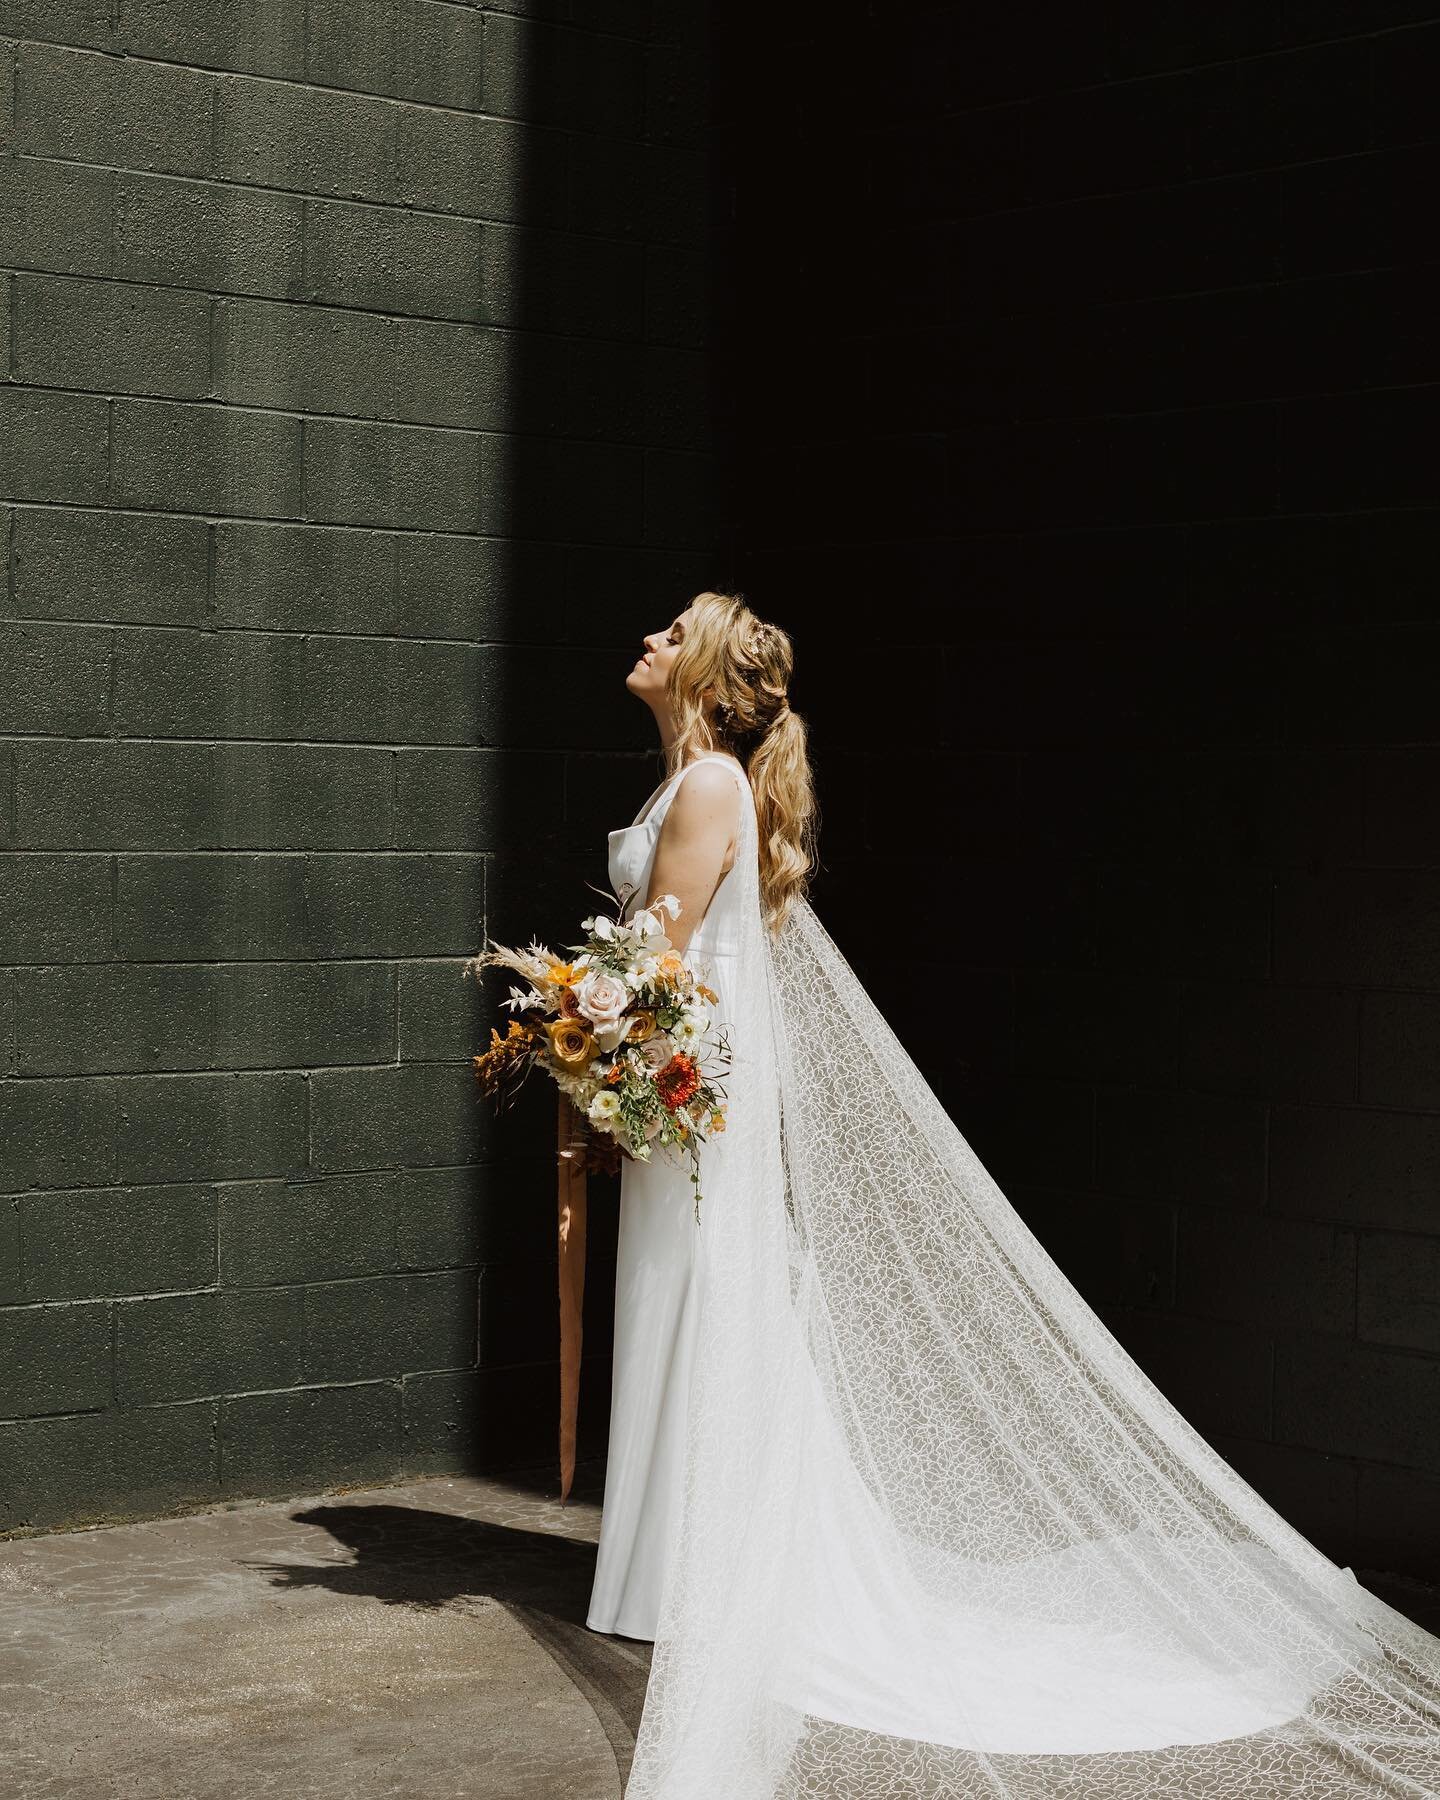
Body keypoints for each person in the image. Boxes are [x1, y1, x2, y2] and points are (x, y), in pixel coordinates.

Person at [586, 590, 1440, 1798]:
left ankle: (709, 1572)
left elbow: (654, 959)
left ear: (708, 674)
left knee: (706, 1303)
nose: (650, 639)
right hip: (683, 1077)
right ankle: (670, 1567)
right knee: (686, 1301)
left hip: (688, 1079)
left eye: (673, 632)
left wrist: (580, 1032)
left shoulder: (710, 783)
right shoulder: (694, 781)